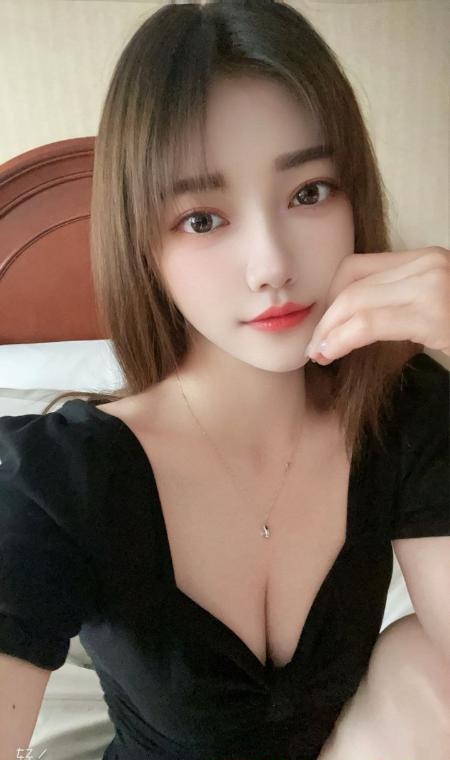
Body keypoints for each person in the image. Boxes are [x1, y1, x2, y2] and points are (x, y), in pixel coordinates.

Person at [1, 1, 449, 759]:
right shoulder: (58, 478)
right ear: (143, 242)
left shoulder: (402, 412)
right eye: (202, 219)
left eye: (308, 192)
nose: (272, 264)